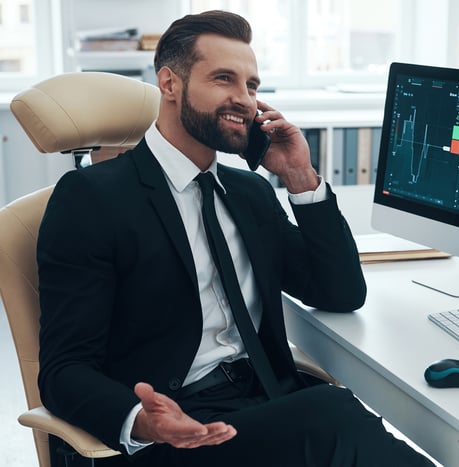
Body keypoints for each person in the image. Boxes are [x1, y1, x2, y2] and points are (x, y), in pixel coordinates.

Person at [37, 9, 435, 467]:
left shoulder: (250, 192)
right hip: (174, 432)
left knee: (337, 418)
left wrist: (300, 176)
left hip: (263, 400)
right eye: (224, 79)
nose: (243, 99)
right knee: (334, 417)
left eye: (252, 86)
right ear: (169, 84)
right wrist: (143, 421)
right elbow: (64, 369)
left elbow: (340, 292)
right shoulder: (92, 198)